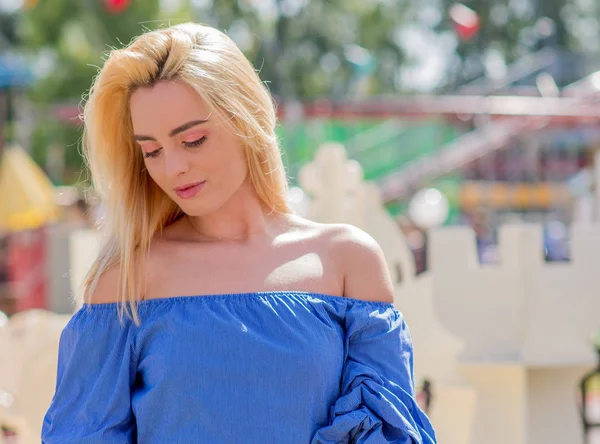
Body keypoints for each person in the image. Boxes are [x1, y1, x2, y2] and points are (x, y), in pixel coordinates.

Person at [41, 22, 436, 443]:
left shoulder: (347, 260)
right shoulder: (126, 278)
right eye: (152, 151)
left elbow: (387, 432)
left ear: (247, 117)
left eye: (192, 140)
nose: (173, 167)